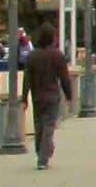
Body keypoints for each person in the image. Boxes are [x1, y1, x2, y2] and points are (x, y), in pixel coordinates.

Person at [27, 28, 73, 169]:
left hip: (37, 96)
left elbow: (27, 79)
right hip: (52, 96)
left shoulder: (32, 56)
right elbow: (64, 78)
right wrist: (69, 95)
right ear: (52, 38)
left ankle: (41, 151)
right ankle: (43, 156)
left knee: (39, 126)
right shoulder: (57, 55)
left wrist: (24, 97)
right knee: (48, 126)